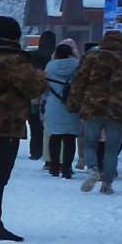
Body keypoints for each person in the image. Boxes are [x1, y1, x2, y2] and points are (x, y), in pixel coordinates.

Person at [0, 18, 51, 240]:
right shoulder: (15, 61)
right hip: (5, 125)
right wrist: (41, 74)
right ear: (15, 35)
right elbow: (34, 88)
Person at [67, 29, 122, 193]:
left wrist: (74, 103)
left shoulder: (91, 58)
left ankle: (93, 169)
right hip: (118, 109)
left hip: (93, 106)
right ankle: (107, 183)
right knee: (112, 146)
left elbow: (79, 81)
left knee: (90, 142)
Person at [41, 39, 81, 175]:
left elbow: (45, 88)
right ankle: (67, 168)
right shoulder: (78, 66)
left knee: (55, 137)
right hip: (72, 106)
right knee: (70, 138)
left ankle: (54, 166)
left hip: (53, 104)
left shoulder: (50, 67)